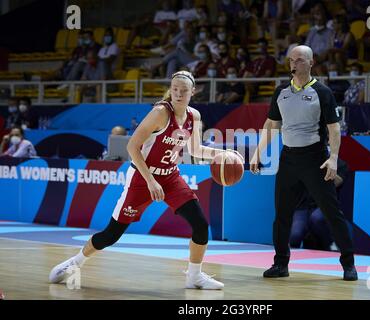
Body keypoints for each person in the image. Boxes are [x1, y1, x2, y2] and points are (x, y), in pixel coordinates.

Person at [49, 71, 243, 290]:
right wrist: (151, 181)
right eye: (175, 89)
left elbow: (194, 149)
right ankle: (75, 263)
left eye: (183, 90)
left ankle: (194, 276)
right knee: (111, 235)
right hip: (142, 177)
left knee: (200, 224)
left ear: (193, 92)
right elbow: (132, 146)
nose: (178, 93)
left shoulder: (193, 117)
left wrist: (223, 155)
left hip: (170, 176)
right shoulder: (161, 113)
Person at [249, 45, 357, 281]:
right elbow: (271, 125)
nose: (294, 64)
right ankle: (280, 264)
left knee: (332, 213)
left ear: (311, 62)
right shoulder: (281, 92)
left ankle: (348, 264)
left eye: (299, 60)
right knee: (282, 215)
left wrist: (333, 159)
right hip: (288, 159)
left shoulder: (322, 92)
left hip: (315, 158)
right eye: (291, 60)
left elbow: (334, 129)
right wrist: (258, 153)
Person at [290, 158, 348, 251]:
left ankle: (331, 243)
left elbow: (337, 182)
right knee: (295, 236)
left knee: (316, 218)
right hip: (303, 206)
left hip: (325, 205)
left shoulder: (340, 163)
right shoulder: (303, 158)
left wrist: (328, 169)